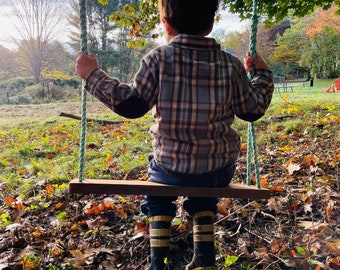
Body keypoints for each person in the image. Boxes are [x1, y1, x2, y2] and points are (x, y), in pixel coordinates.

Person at [75, 0, 274, 269]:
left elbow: (132, 105)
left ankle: (160, 261)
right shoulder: (231, 65)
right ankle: (204, 259)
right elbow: (253, 110)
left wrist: (93, 75)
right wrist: (261, 73)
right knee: (205, 193)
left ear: (166, 24)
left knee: (158, 195)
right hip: (217, 170)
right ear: (211, 23)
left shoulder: (157, 60)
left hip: (169, 166)